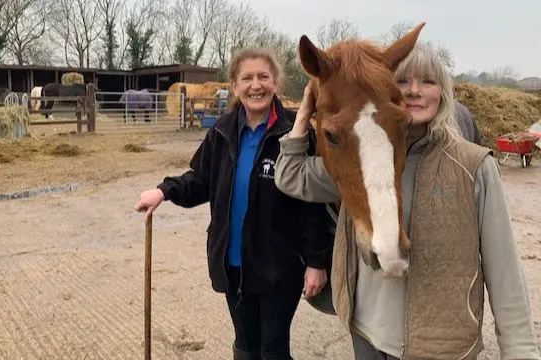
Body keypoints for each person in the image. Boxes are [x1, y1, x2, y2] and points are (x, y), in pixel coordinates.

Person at [273, 42, 540, 360]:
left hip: (438, 344)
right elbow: (290, 175)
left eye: (427, 82)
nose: (414, 91)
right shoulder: (362, 159)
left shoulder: (473, 166)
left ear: (443, 91)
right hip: (366, 332)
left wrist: (520, 349)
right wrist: (306, 107)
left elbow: (504, 269)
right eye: (402, 81)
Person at [134, 47, 336, 360]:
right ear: (234, 86)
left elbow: (313, 205)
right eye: (247, 78)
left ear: (276, 84)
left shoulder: (296, 133)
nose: (256, 85)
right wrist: (164, 191)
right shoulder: (222, 132)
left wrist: (316, 262)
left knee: (272, 348)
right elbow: (201, 180)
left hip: (279, 266)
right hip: (233, 264)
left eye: (263, 77)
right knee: (244, 346)